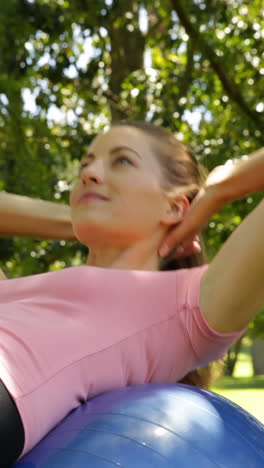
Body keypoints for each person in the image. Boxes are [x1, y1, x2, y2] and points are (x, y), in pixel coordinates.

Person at [0, 121, 263, 467]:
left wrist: (221, 188)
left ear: (174, 207)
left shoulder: (189, 303)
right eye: (85, 164)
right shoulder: (20, 291)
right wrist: (81, 217)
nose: (90, 172)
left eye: (121, 161)